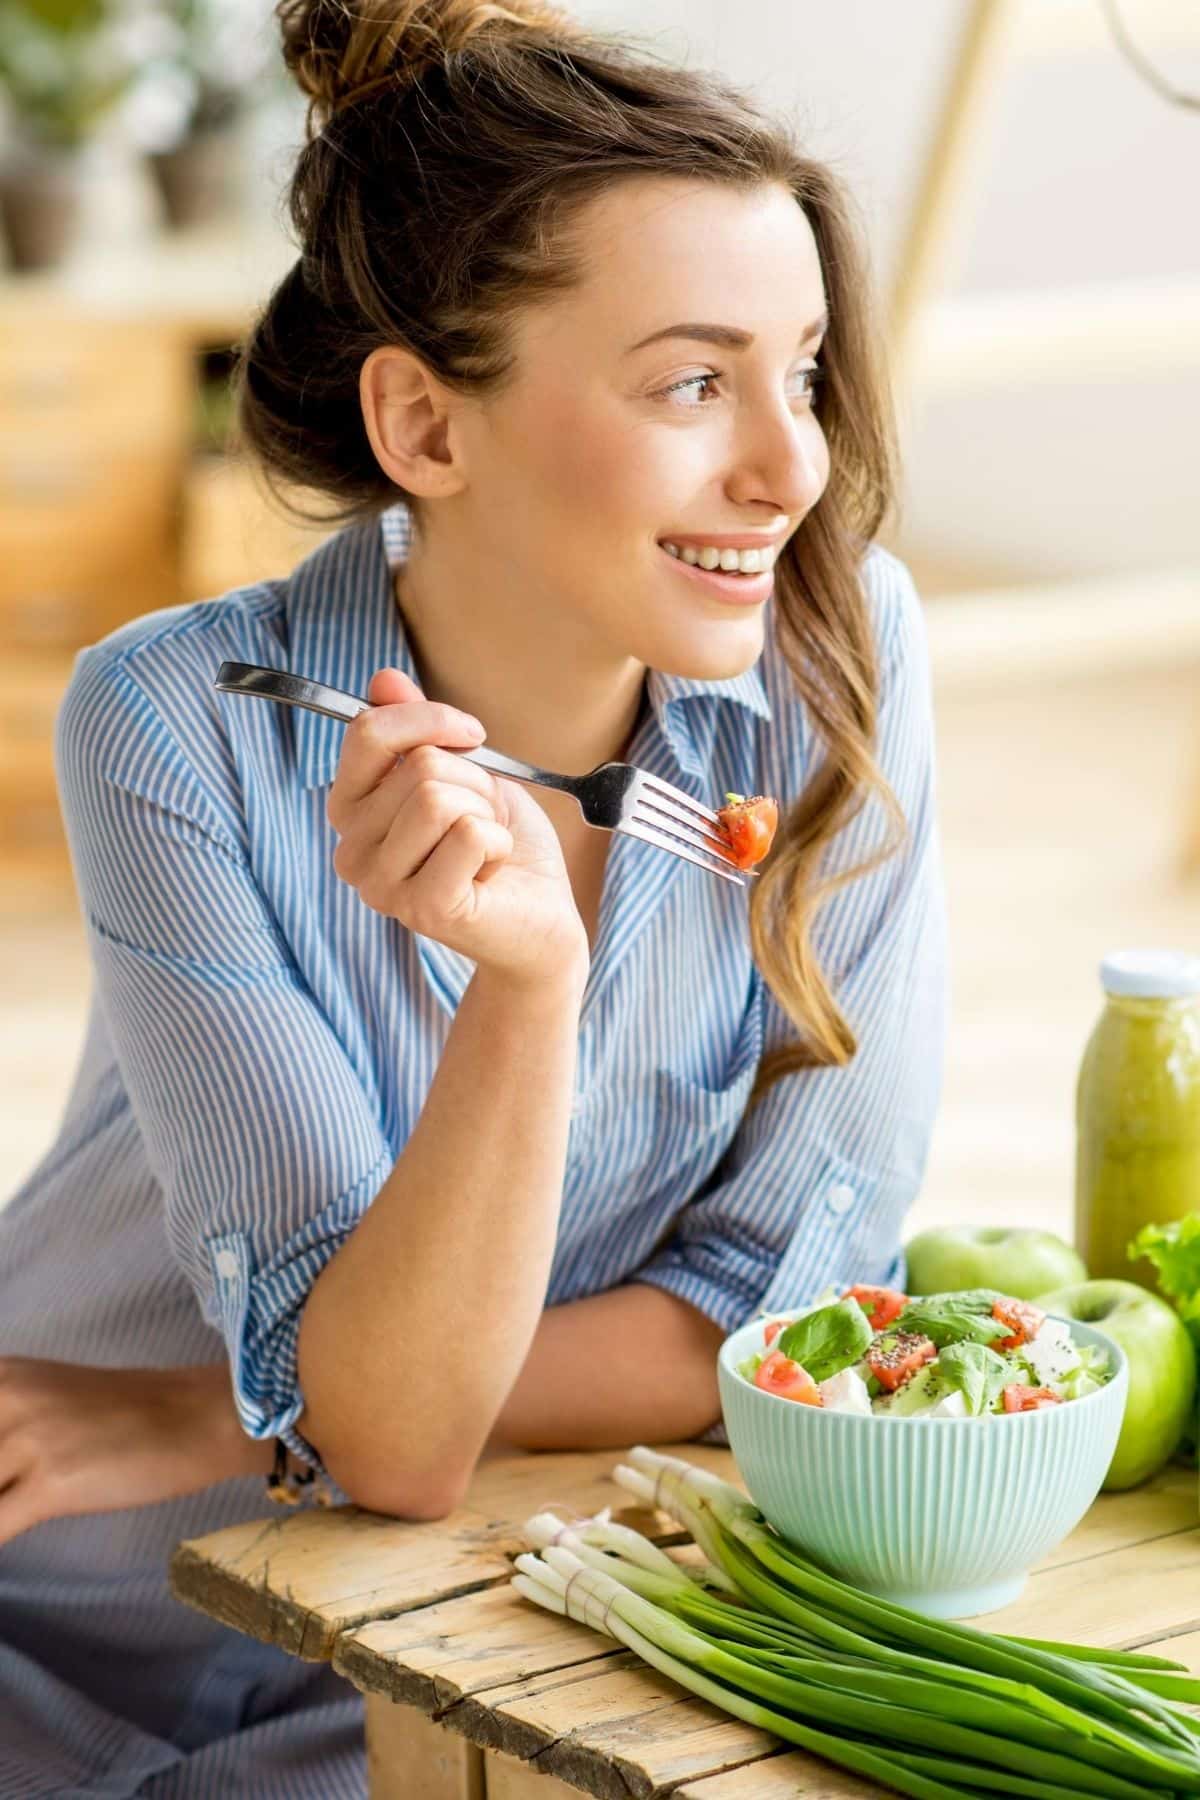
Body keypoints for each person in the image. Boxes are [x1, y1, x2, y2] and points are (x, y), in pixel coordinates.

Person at [0, 0, 947, 1791]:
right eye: (692, 381)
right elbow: (394, 1434)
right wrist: (524, 996)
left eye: (802, 370)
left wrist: (226, 1412)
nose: (790, 465)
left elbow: (779, 1309)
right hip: (66, 1603)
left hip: (450, 1630)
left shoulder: (846, 659)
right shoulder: (179, 722)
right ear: (425, 426)